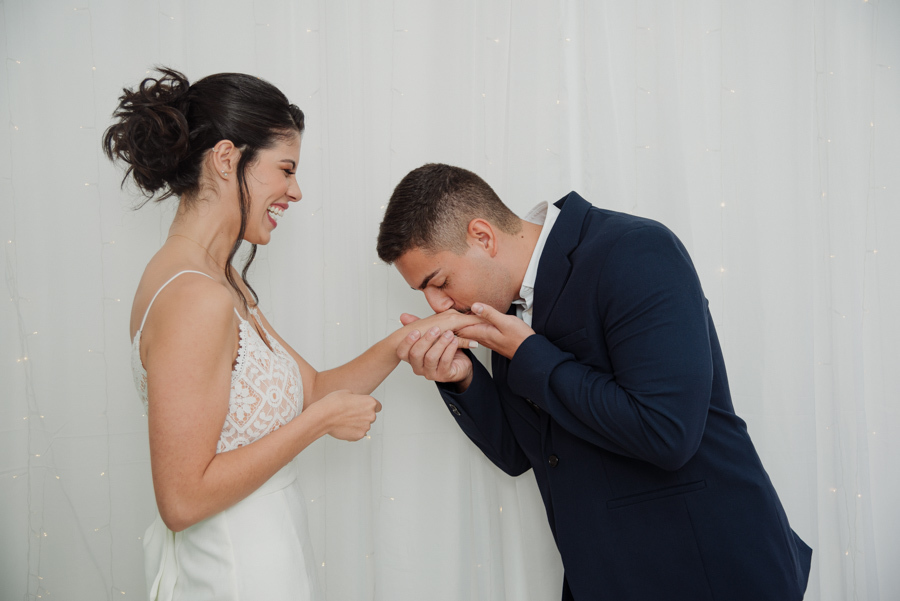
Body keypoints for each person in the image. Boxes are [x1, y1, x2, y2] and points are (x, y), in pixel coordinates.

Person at [104, 71, 478, 601]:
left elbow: (312, 389)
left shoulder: (219, 277)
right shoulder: (195, 297)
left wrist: (404, 345)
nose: (295, 191)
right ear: (227, 158)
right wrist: (319, 424)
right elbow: (182, 498)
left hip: (264, 554)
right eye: (285, 169)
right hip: (230, 569)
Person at [376, 163, 813, 601]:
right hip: (606, 577)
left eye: (440, 282)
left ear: (483, 236)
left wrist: (529, 353)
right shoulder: (505, 308)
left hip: (711, 571)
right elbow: (521, 454)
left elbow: (668, 433)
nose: (436, 304)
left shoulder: (635, 249)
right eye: (424, 293)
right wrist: (464, 378)